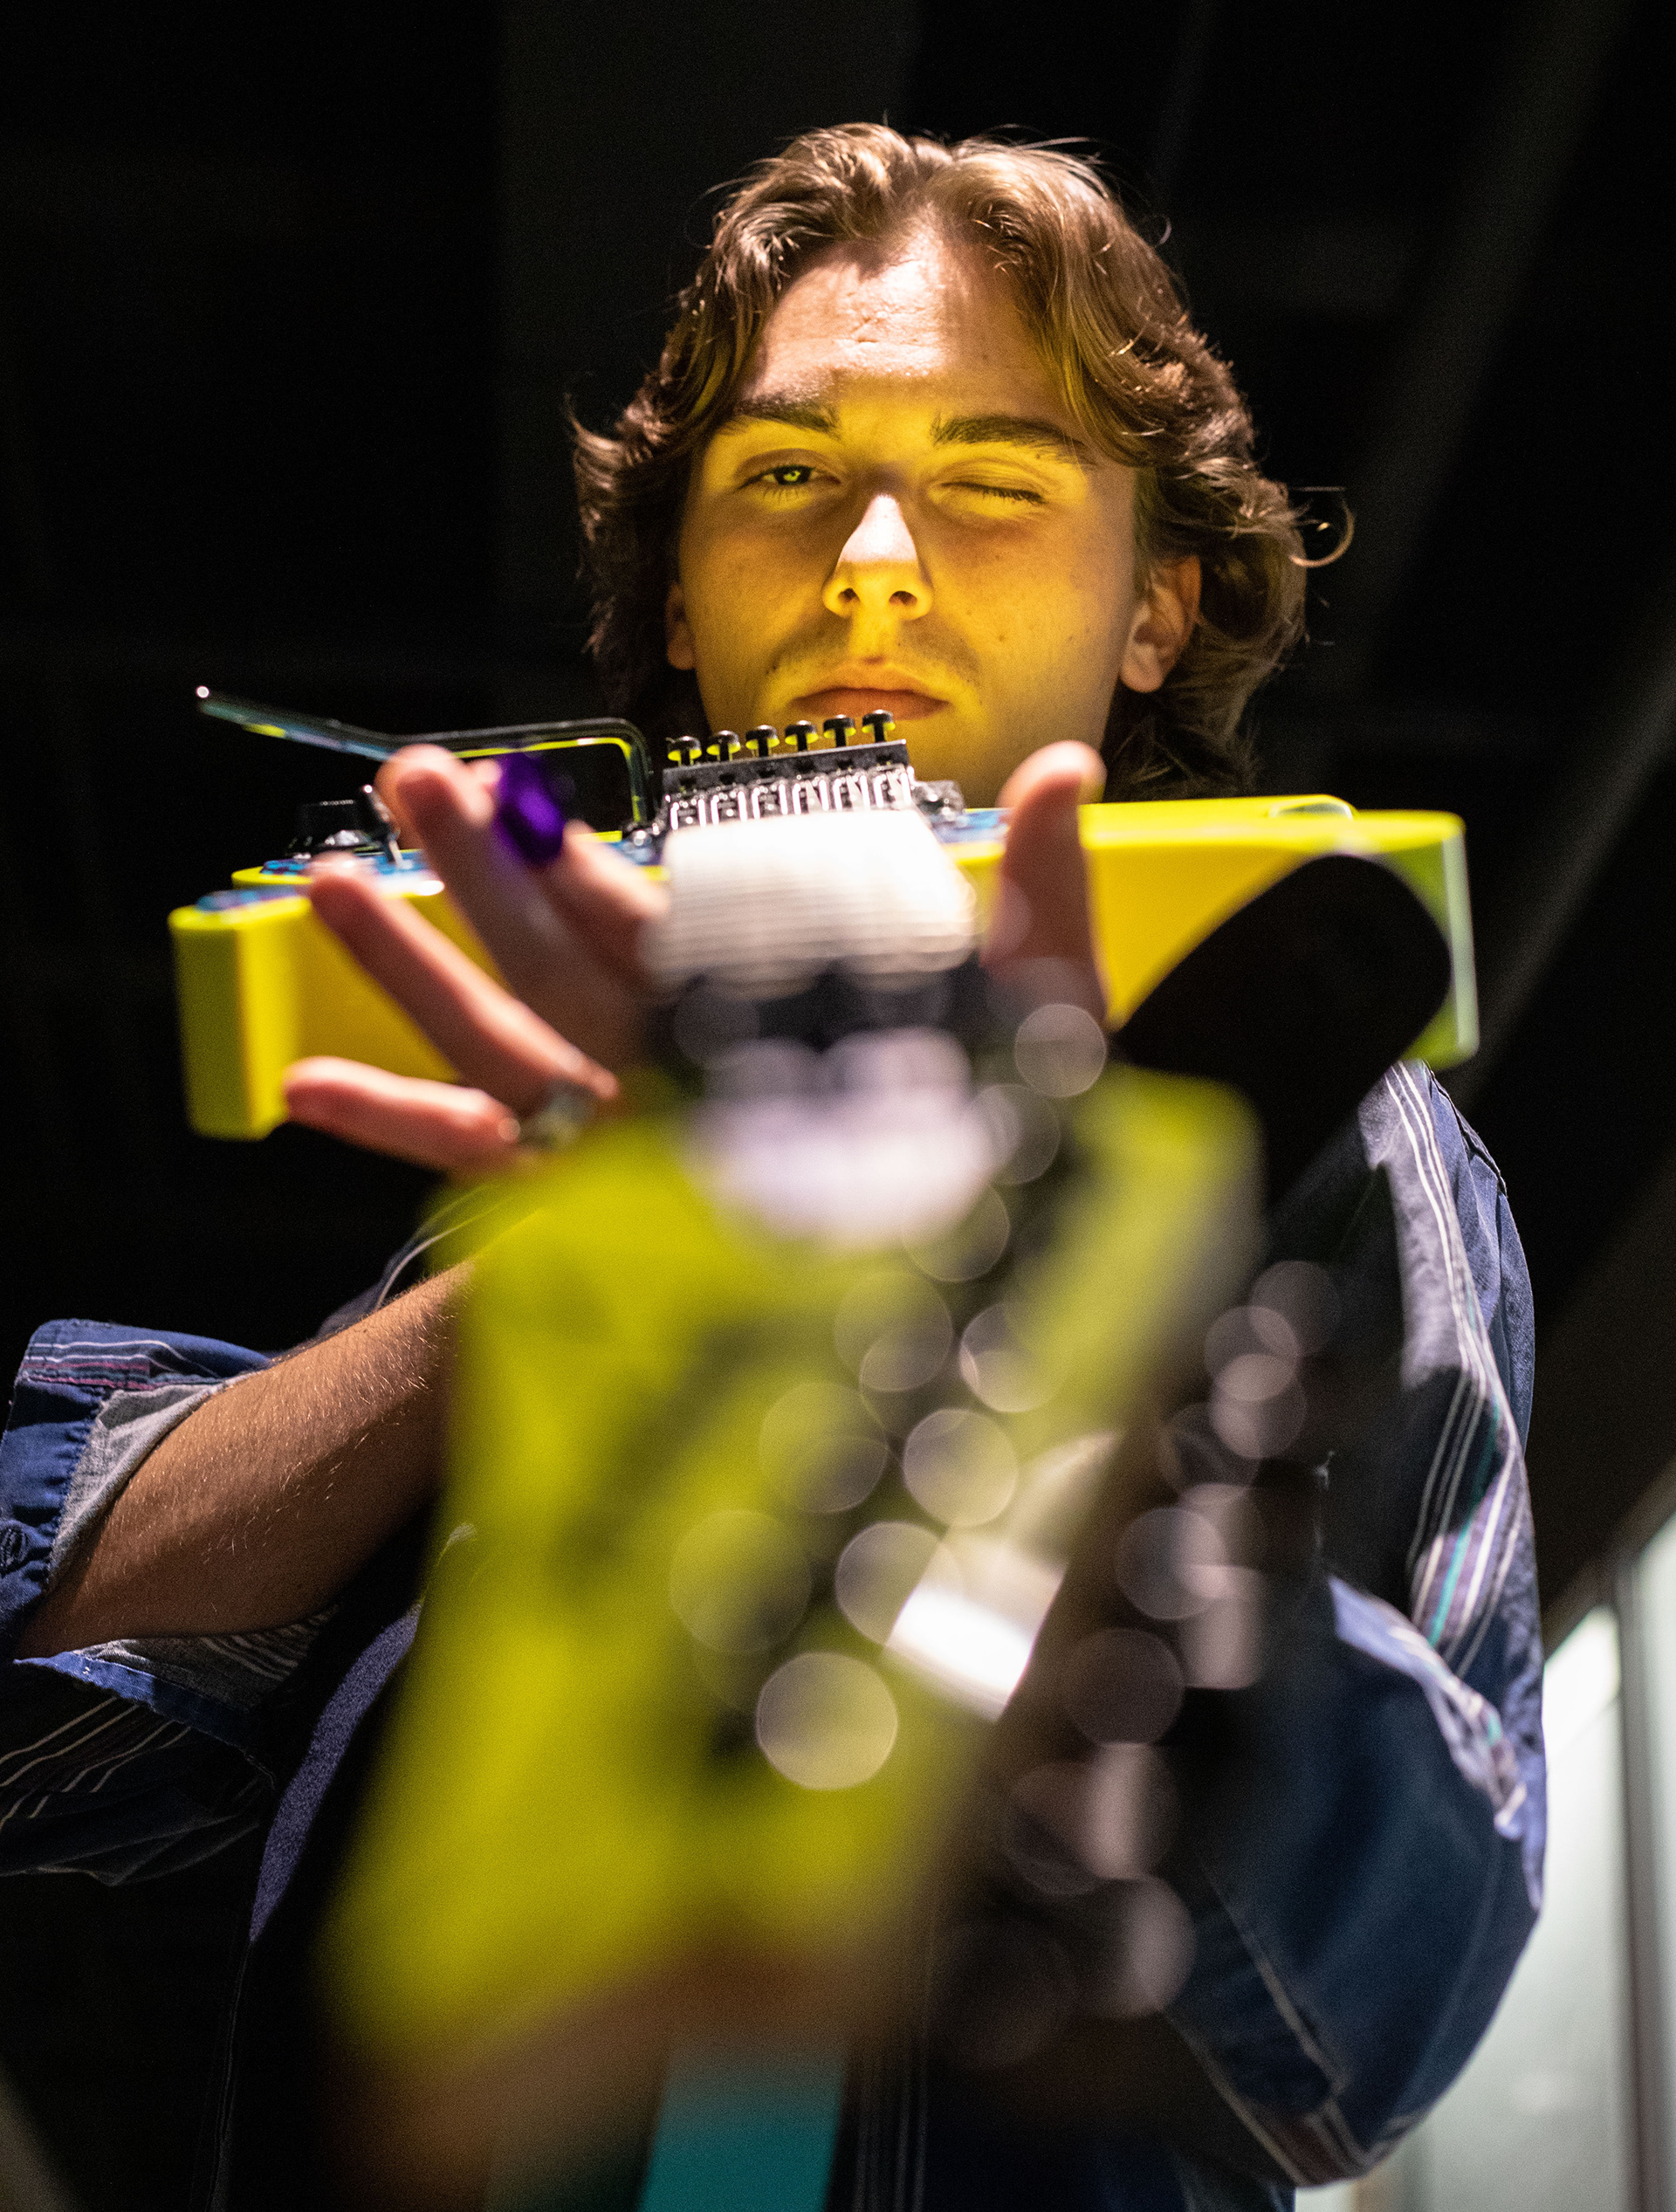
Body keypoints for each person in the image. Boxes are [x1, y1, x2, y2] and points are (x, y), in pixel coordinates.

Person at [0, 127, 1542, 2211]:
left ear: (1160, 609)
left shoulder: (1314, 1117)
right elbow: (59, 1726)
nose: (876, 560)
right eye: (786, 479)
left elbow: (1385, 2002)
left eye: (996, 480)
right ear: (679, 608)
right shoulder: (577, 1160)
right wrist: (597, 1269)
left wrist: (1037, 1365)